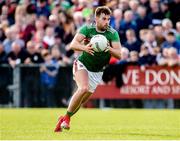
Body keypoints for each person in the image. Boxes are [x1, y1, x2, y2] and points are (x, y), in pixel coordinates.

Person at [54, 6, 121, 132]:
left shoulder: (112, 33)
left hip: (97, 71)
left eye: (109, 19)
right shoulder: (87, 29)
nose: (107, 22)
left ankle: (64, 118)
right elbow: (72, 45)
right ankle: (67, 120)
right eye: (104, 19)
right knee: (83, 88)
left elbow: (119, 54)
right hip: (82, 64)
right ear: (96, 19)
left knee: (81, 100)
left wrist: (108, 48)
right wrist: (85, 48)